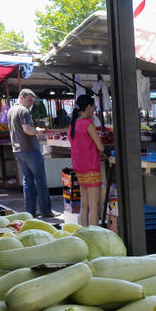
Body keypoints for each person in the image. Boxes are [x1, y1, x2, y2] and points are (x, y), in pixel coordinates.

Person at [9, 88, 54, 219]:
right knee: (40, 181)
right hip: (30, 149)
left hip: (18, 150)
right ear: (21, 97)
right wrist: (37, 131)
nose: (31, 104)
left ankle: (30, 212)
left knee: (27, 181)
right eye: (29, 100)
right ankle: (46, 211)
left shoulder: (11, 110)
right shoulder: (23, 111)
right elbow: (27, 129)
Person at [69, 94, 106, 226]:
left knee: (84, 206)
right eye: (93, 106)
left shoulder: (74, 124)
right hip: (91, 168)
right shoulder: (87, 124)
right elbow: (101, 147)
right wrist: (98, 151)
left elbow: (81, 146)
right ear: (89, 107)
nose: (94, 109)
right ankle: (94, 235)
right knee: (94, 206)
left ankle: (85, 233)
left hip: (79, 168)